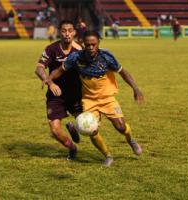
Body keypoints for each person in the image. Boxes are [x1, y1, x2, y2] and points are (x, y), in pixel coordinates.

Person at [46, 31, 144, 167]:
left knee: (121, 127)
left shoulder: (106, 56)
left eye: (94, 44)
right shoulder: (75, 58)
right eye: (88, 45)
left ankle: (130, 140)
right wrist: (49, 80)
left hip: (107, 98)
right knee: (92, 130)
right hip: (89, 100)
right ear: (83, 44)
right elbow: (60, 70)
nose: (91, 47)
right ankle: (108, 156)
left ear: (98, 44)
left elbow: (123, 72)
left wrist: (135, 88)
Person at [35, 20, 83, 160]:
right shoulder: (51, 49)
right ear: (59, 32)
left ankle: (74, 128)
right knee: (55, 130)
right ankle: (72, 148)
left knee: (88, 125)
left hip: (75, 94)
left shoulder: (79, 50)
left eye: (70, 30)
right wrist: (50, 82)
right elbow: (39, 68)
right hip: (56, 95)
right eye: (64, 30)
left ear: (74, 32)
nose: (67, 33)